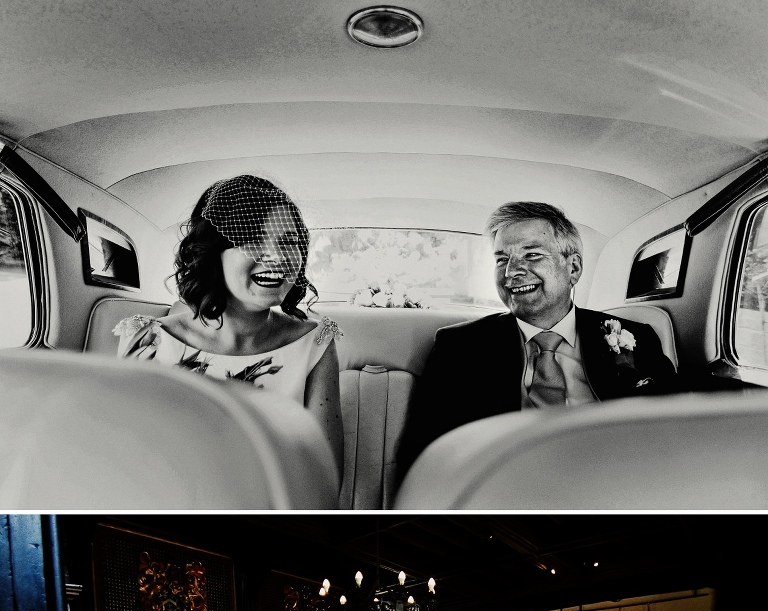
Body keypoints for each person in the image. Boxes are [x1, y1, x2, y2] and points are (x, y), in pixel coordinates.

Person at [397, 200, 678, 479]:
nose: (511, 272)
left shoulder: (635, 338)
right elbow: (423, 457)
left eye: (531, 255)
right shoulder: (459, 347)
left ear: (574, 268)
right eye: (502, 260)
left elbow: (674, 433)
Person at [114, 173, 344, 486]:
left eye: (289, 242)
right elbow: (127, 465)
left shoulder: (315, 342)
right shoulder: (147, 341)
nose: (277, 257)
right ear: (211, 254)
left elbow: (323, 477)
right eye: (251, 240)